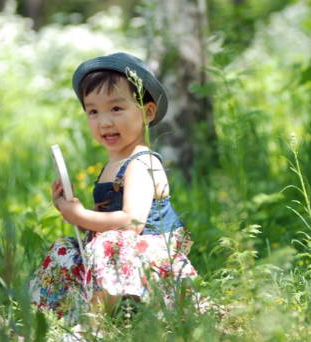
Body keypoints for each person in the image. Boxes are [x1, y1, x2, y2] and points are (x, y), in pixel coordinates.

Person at [29, 52, 199, 325]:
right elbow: (101, 225)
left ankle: (93, 325)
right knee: (65, 249)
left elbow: (129, 223)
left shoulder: (141, 164)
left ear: (147, 112)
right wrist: (69, 209)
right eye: (93, 111)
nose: (104, 121)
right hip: (123, 254)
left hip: (152, 254)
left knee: (110, 244)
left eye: (116, 109)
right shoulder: (112, 165)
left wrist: (79, 215)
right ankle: (53, 318)